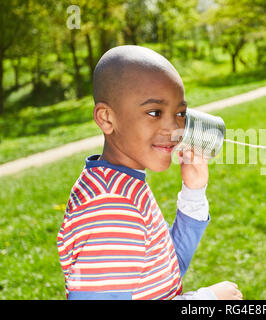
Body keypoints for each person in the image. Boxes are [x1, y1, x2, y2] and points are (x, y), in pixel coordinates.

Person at [57, 45, 242, 300]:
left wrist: (194, 192)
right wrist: (205, 300)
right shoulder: (111, 206)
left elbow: (164, 269)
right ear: (107, 118)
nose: (173, 127)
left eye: (180, 113)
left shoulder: (122, 184)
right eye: (154, 112)